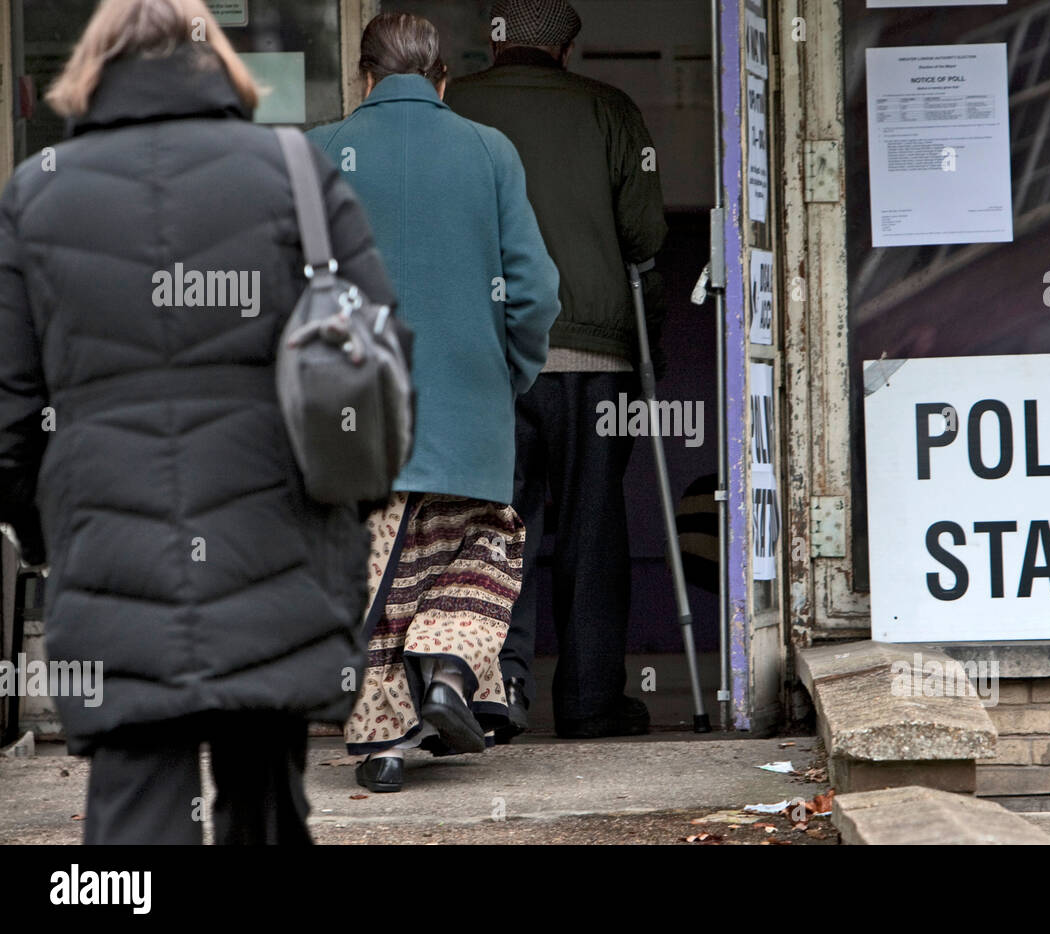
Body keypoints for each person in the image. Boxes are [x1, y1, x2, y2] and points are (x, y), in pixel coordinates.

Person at [0, 0, 396, 843]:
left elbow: (7, 415)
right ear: (214, 56)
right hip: (278, 550)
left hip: (112, 558)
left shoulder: (35, 195)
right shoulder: (297, 173)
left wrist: (55, 534)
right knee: (265, 806)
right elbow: (383, 369)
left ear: (95, 67)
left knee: (133, 822)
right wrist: (341, 515)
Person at [307, 12, 561, 792]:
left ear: (365, 77)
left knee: (379, 582)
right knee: (479, 550)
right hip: (468, 410)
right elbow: (536, 290)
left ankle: (382, 747)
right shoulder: (490, 151)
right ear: (443, 78)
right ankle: (449, 674)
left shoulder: (318, 155)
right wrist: (508, 372)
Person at [447, 0, 670, 741]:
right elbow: (645, 234)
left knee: (488, 531)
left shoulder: (455, 104)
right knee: (592, 530)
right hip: (591, 359)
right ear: (569, 50)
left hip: (483, 361)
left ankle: (491, 698)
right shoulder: (609, 109)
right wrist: (650, 357)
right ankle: (588, 703)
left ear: (493, 41)